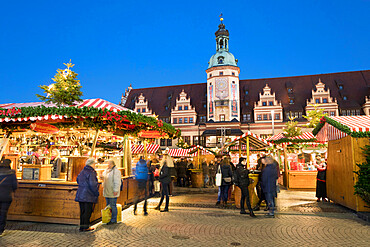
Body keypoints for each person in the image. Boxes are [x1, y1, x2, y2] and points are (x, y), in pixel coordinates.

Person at [75, 158, 100, 231]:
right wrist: (96, 193)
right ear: (92, 164)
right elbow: (93, 184)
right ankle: (86, 227)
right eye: (95, 164)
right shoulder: (91, 172)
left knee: (82, 211)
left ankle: (82, 227)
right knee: (87, 211)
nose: (95, 165)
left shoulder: (83, 171)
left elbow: (78, 179)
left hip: (81, 194)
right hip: (88, 195)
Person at [0, 159, 18, 236]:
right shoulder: (12, 174)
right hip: (6, 197)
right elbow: (15, 186)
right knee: (3, 213)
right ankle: (0, 230)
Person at [102, 160, 122, 224]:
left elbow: (117, 181)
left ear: (113, 164)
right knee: (108, 205)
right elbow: (104, 179)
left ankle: (113, 219)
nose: (108, 165)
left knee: (113, 205)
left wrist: (116, 190)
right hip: (107, 190)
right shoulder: (106, 171)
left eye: (110, 164)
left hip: (112, 191)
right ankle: (108, 218)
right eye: (108, 164)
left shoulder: (116, 172)